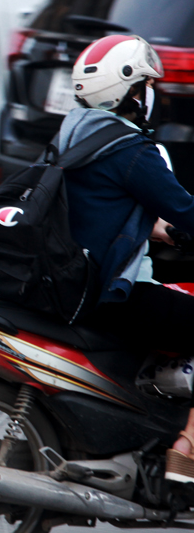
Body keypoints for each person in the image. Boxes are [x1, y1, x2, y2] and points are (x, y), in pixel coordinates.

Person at [60, 35, 194, 482]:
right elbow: (185, 209)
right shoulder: (131, 151)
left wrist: (159, 231)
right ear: (133, 93)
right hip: (121, 295)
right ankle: (187, 449)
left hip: (72, 286)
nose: (154, 94)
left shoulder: (71, 137)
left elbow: (99, 208)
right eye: (148, 85)